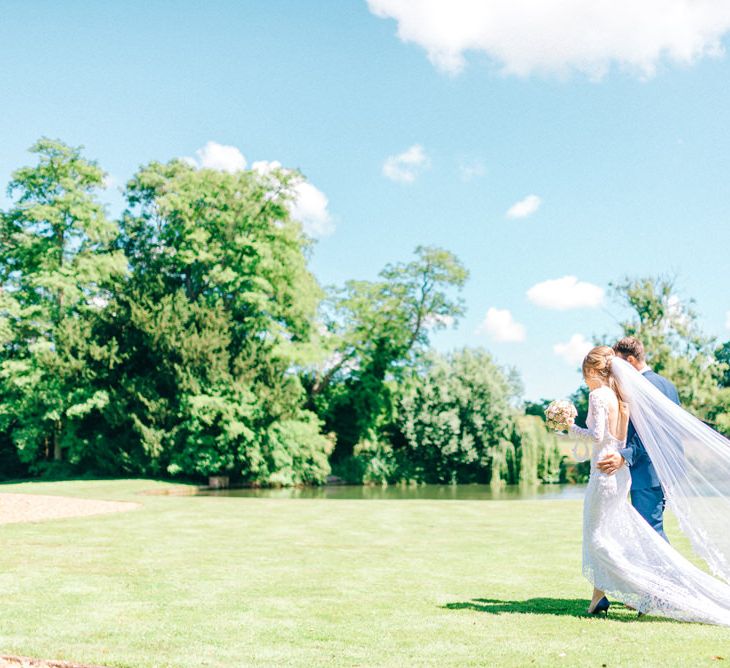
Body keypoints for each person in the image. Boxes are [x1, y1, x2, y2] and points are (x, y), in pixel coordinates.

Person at [567, 346, 730, 623]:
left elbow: (647, 433)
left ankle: (656, 593)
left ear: (628, 360)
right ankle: (605, 596)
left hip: (640, 470)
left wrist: (620, 453)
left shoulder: (636, 388)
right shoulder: (653, 387)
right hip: (643, 471)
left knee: (647, 535)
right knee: (617, 533)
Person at [595, 337, 679, 540]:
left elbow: (651, 432)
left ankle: (667, 573)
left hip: (647, 470)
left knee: (651, 533)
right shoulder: (667, 384)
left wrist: (624, 455)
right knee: (651, 529)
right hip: (664, 469)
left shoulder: (644, 386)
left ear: (630, 360)